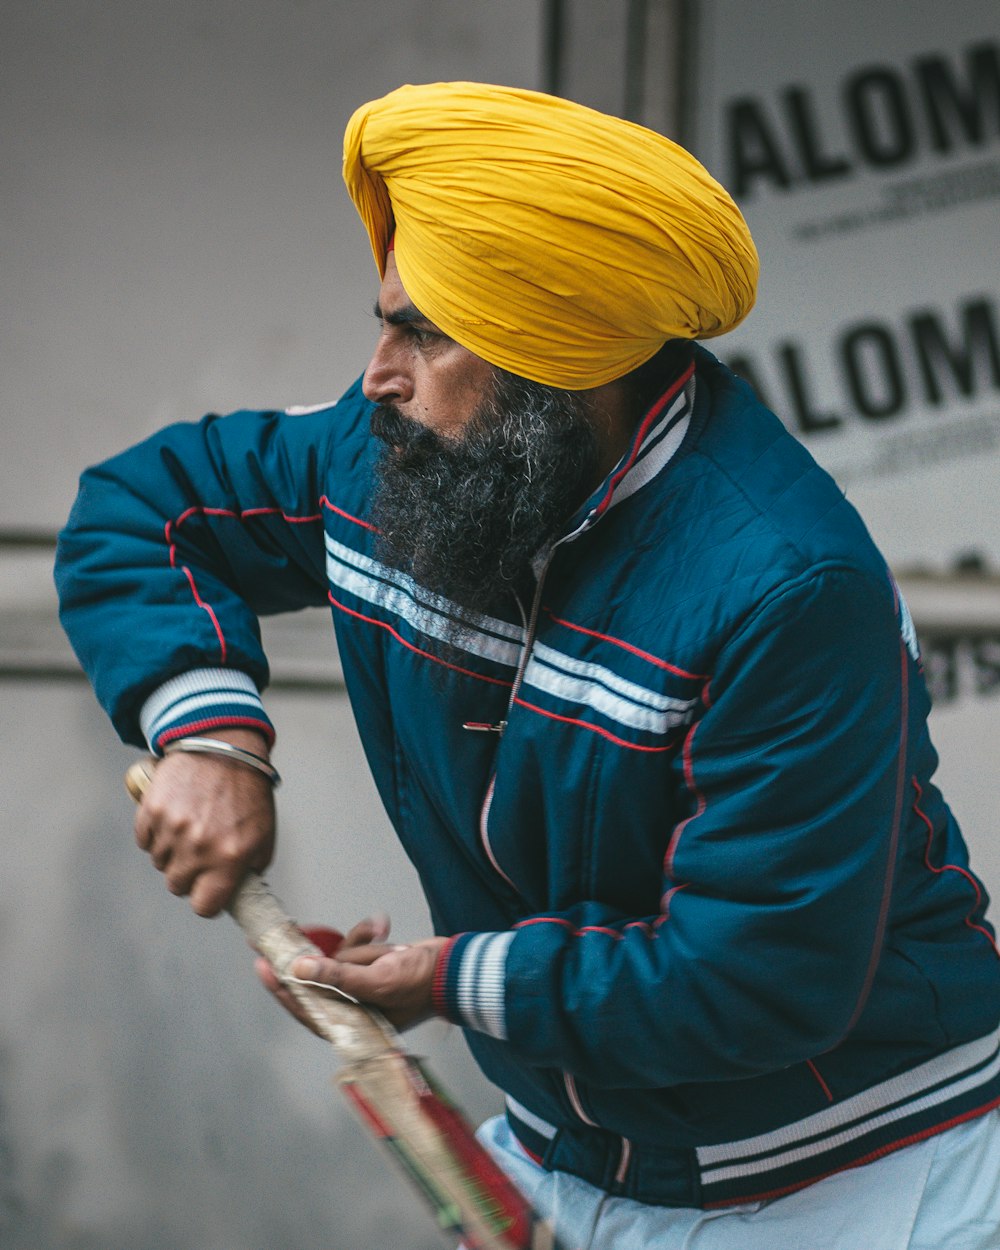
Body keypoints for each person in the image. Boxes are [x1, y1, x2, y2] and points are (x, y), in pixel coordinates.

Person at [56, 82, 1000, 1248]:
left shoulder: (788, 588)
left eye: (422, 332)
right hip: (565, 1151)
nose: (376, 376)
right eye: (387, 318)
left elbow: (757, 977)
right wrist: (206, 733)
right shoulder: (396, 453)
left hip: (856, 1176)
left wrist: (453, 977)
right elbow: (147, 506)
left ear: (553, 361)